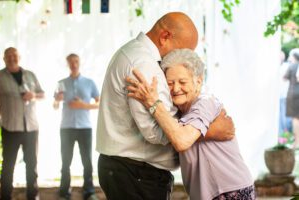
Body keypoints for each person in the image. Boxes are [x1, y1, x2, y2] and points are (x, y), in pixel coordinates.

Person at [97, 12, 235, 200]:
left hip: (131, 171)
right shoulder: (144, 64)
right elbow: (155, 131)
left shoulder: (133, 53)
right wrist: (206, 130)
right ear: (165, 37)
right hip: (136, 173)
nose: (183, 60)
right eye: (182, 52)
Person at [126, 49, 254, 200]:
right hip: (208, 193)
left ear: (198, 81)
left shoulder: (204, 103)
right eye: (170, 83)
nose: (176, 89)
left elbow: (181, 141)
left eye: (182, 82)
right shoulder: (178, 112)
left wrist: (152, 102)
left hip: (230, 191)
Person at [0, 47, 44, 200]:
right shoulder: (0, 76)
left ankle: (33, 196)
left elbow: (42, 94)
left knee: (32, 165)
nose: (12, 58)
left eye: (14, 55)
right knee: (8, 166)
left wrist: (34, 95)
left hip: (31, 128)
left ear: (19, 57)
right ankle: (5, 196)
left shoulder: (30, 75)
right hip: (10, 127)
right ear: (4, 59)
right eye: (8, 56)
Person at [54, 54, 100, 200]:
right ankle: (64, 193)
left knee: (87, 161)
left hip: (85, 127)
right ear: (67, 64)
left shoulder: (89, 82)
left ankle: (89, 192)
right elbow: (54, 106)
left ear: (79, 63)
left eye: (76, 61)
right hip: (66, 128)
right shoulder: (61, 83)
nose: (73, 64)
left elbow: (100, 103)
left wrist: (83, 105)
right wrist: (57, 100)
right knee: (65, 161)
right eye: (71, 62)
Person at [285, 50, 299, 149]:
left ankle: (296, 142)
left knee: (295, 119)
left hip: (293, 94)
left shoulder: (292, 66)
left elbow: (284, 78)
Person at [278, 50, 292, 136]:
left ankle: (284, 131)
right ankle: (283, 131)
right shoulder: (286, 66)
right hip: (282, 94)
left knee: (284, 113)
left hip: (284, 94)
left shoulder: (287, 66)